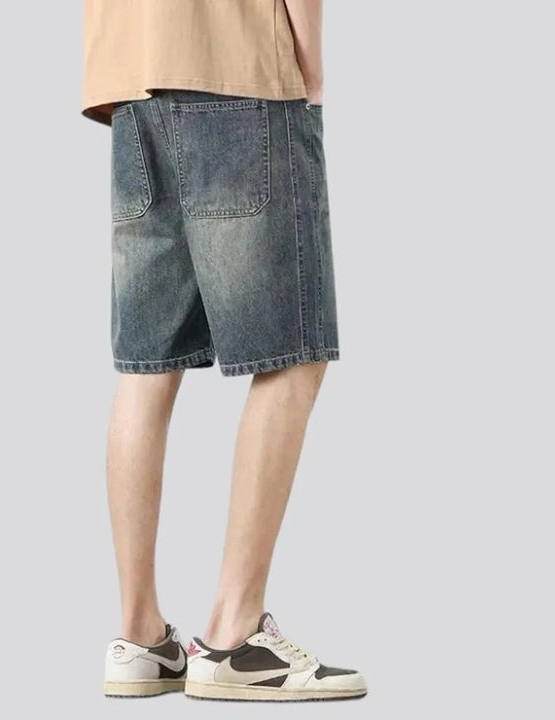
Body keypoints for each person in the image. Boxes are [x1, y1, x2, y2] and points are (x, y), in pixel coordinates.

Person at [81, 0, 366, 702]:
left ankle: (139, 639)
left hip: (131, 80)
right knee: (293, 353)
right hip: (240, 69)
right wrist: (310, 67)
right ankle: (235, 637)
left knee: (148, 367)